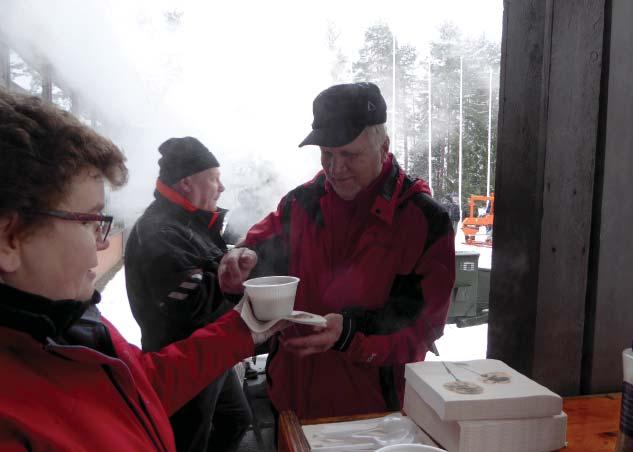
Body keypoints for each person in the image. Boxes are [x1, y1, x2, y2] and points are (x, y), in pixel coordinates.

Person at [0, 89, 279, 450]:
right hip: (179, 348)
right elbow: (182, 311)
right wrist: (226, 288)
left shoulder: (72, 328)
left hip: (195, 355)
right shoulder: (158, 232)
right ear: (10, 239)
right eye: (89, 221)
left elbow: (141, 384)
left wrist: (243, 327)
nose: (102, 243)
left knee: (234, 419)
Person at [219, 82, 456, 419]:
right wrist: (240, 264)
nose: (335, 167)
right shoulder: (301, 203)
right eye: (327, 153)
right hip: (291, 403)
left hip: (374, 415)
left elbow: (422, 328)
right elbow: (258, 252)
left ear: (384, 147)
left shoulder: (423, 220)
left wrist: (347, 334)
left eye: (349, 154)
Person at [125, 137, 251, 452]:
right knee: (186, 441)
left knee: (235, 419)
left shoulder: (189, 222)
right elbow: (189, 302)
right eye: (214, 179)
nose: (221, 188)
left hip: (210, 350)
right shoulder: (161, 231)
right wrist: (238, 281)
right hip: (181, 357)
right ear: (185, 183)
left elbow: (209, 266)